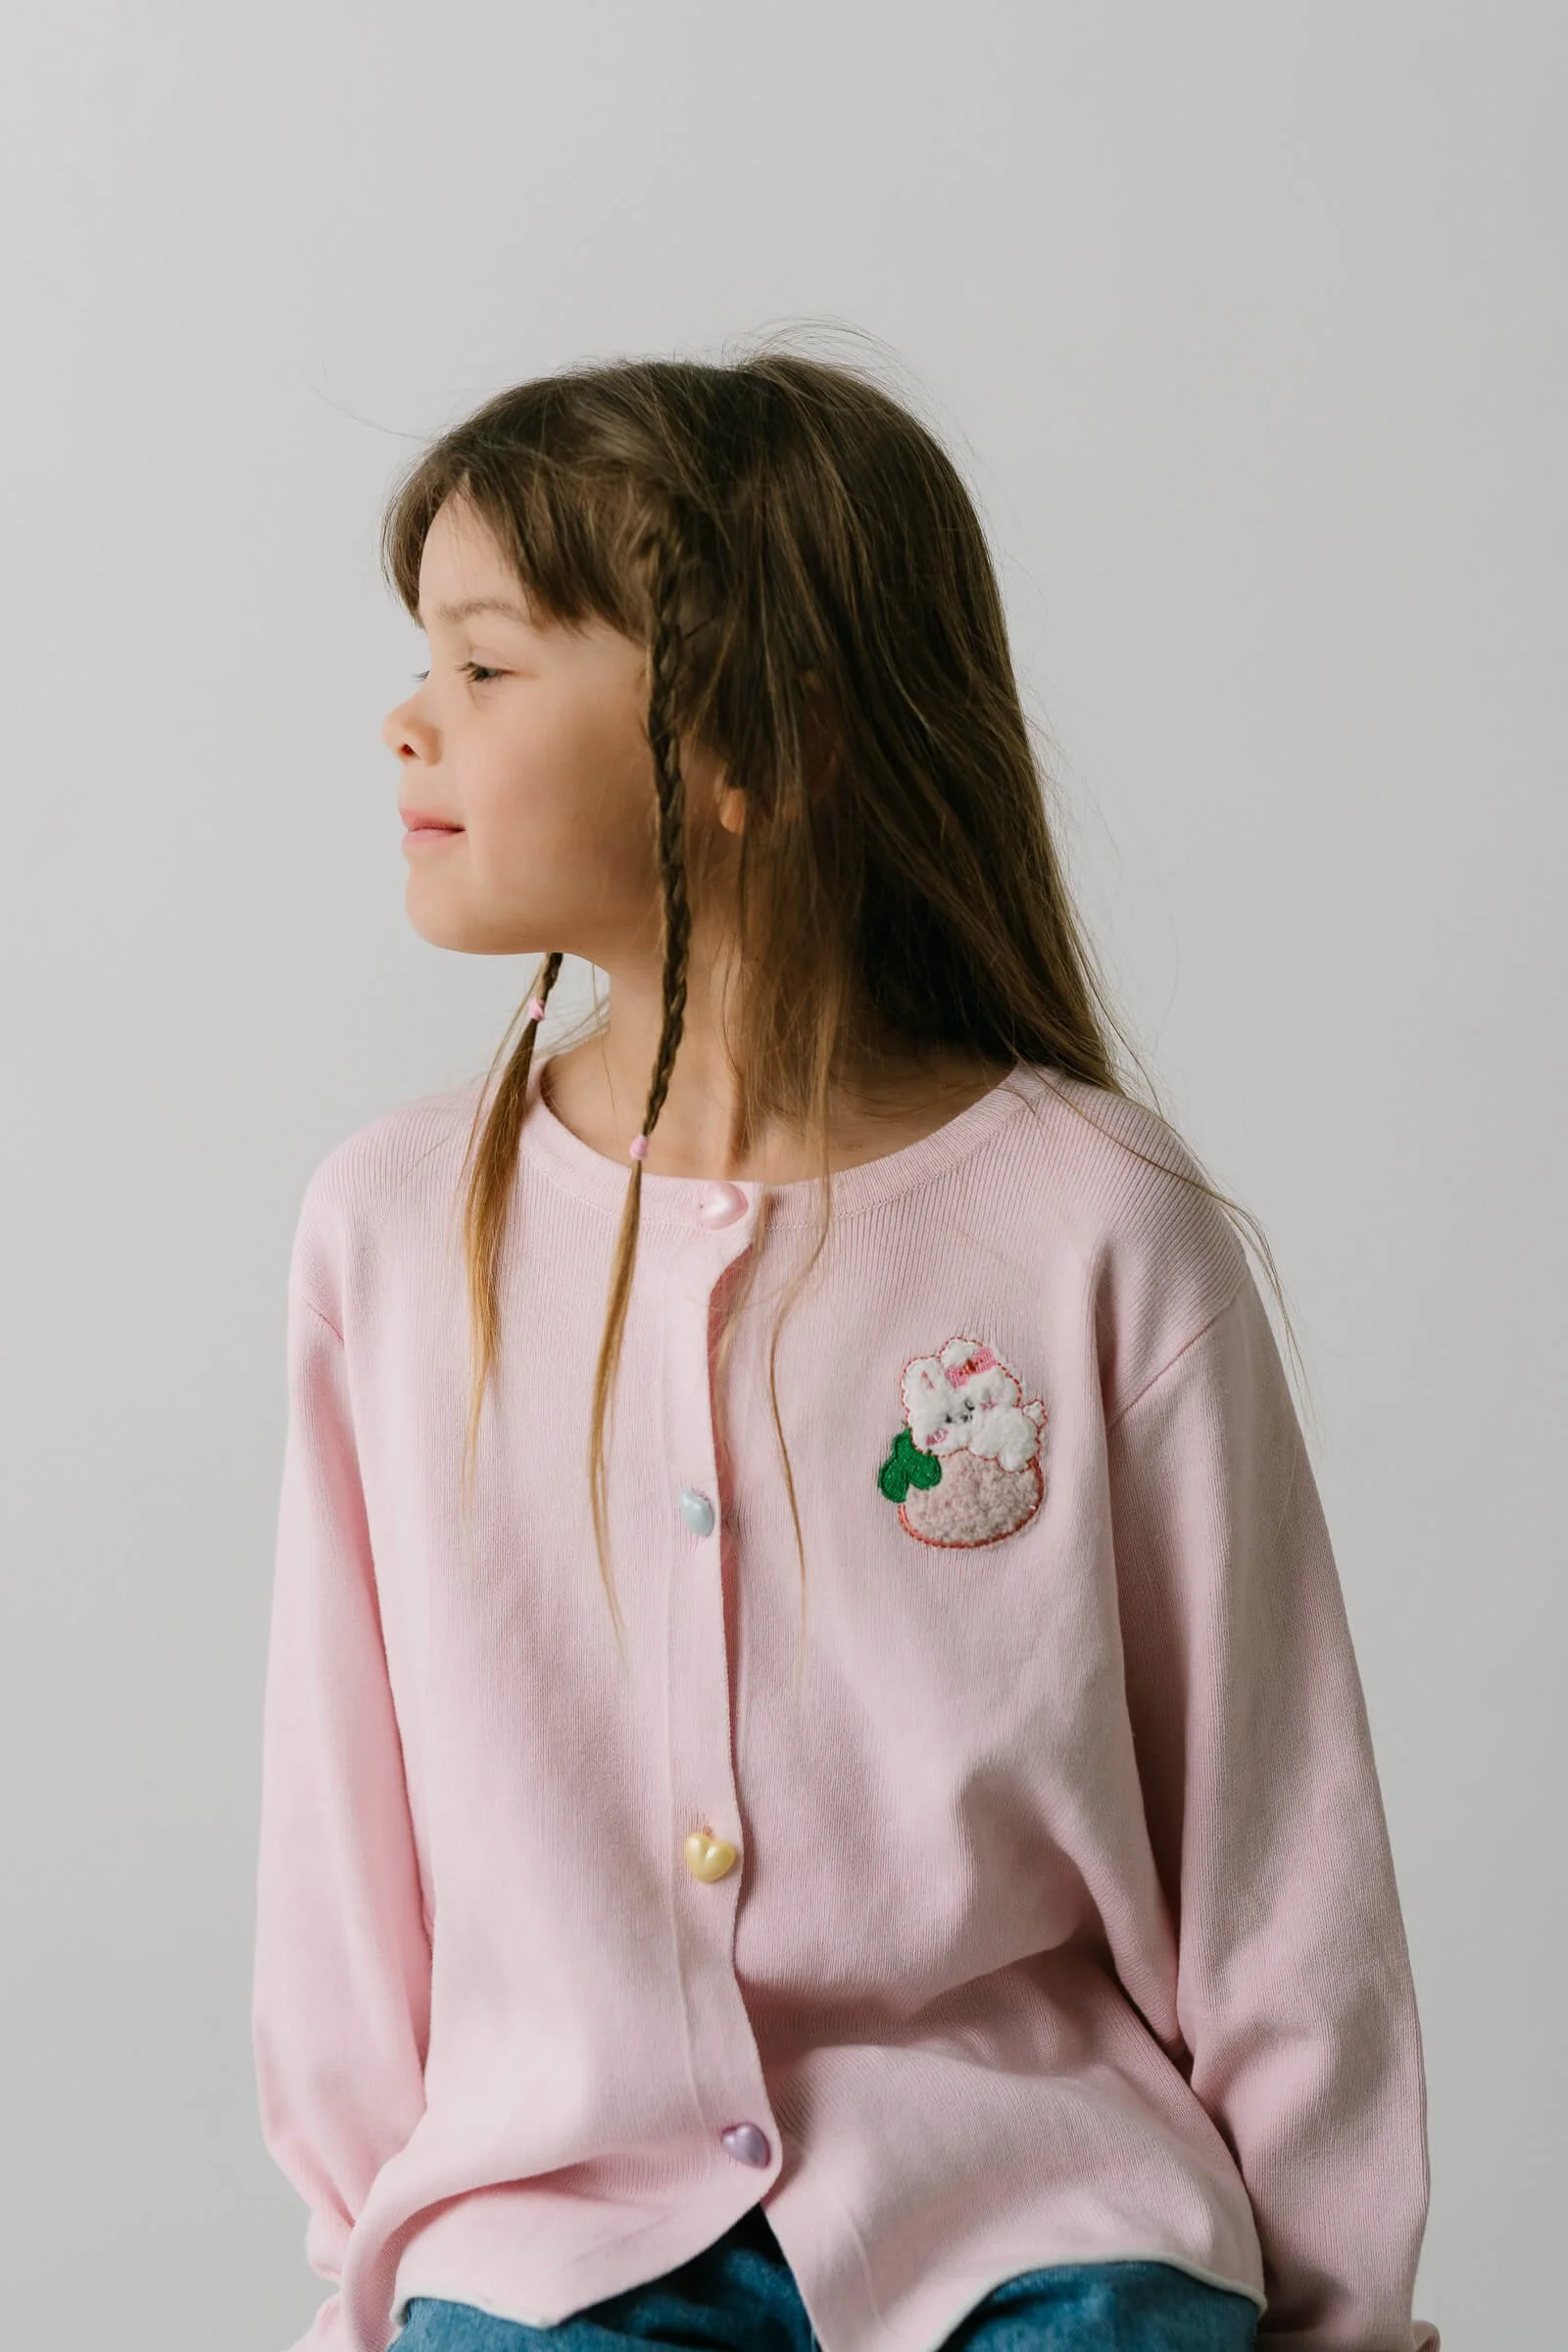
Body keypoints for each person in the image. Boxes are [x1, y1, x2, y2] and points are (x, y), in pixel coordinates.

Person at [251, 349, 1440, 2352]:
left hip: (1047, 2234)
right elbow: (340, 1851)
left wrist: (1332, 2317)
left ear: (752, 745)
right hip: (549, 2245)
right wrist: (376, 2269)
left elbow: (1271, 1848)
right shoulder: (390, 1235)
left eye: (480, 664)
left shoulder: (1092, 1228)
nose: (405, 720)